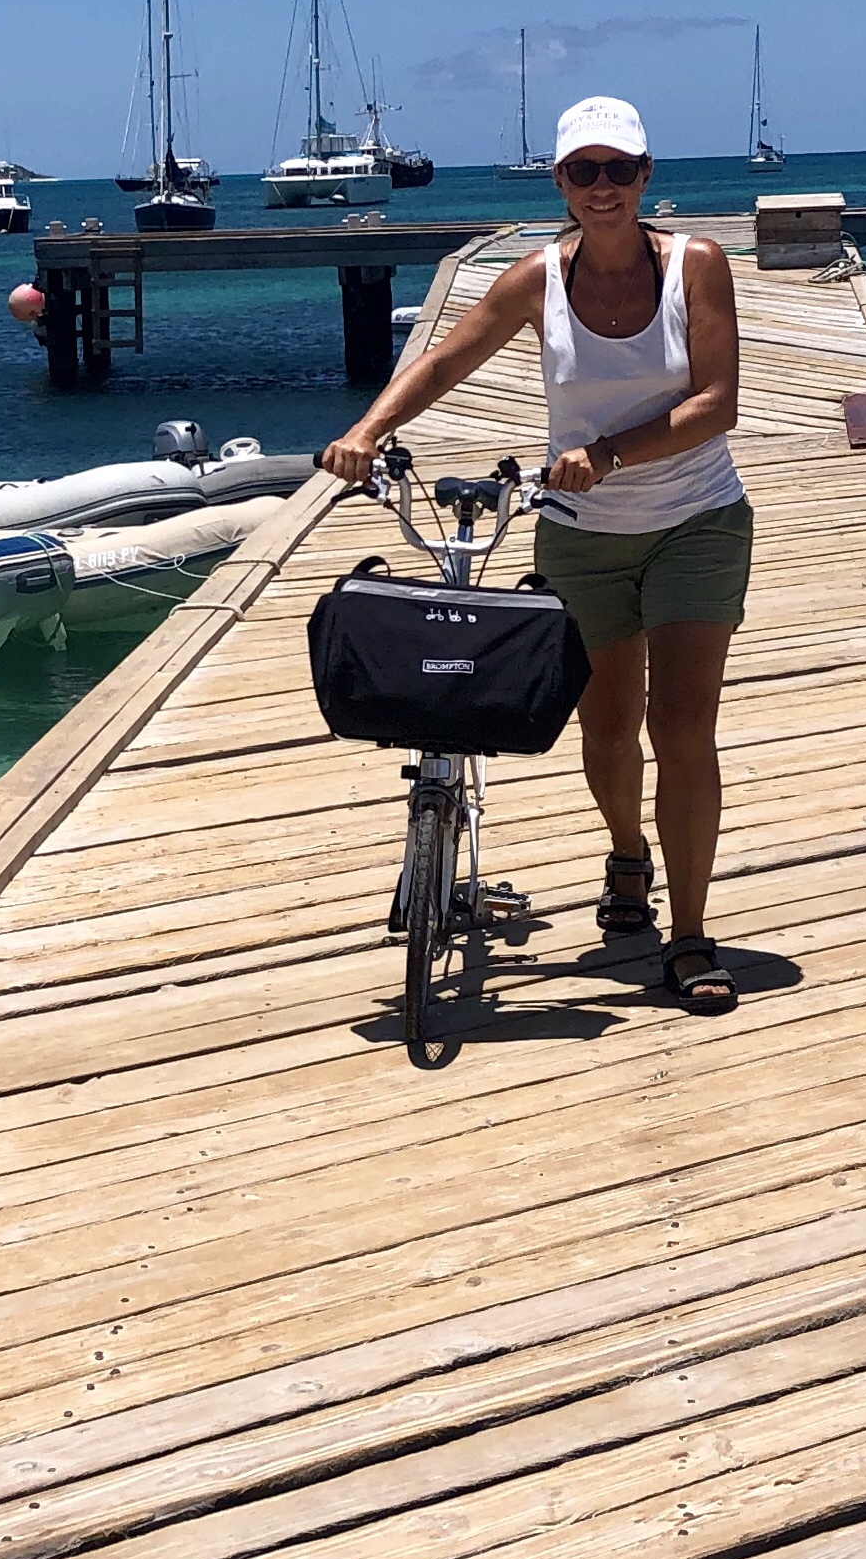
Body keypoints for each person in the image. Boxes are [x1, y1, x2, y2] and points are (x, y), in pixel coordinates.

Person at [320, 93, 748, 1012]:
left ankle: (689, 934)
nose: (604, 187)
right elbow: (442, 362)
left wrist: (610, 454)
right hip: (581, 536)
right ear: (559, 182)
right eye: (584, 171)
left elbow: (718, 402)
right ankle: (627, 854)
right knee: (605, 727)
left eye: (620, 170)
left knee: (681, 729)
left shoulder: (697, 266)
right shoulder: (536, 279)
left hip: (697, 521)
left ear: (646, 176)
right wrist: (365, 432)